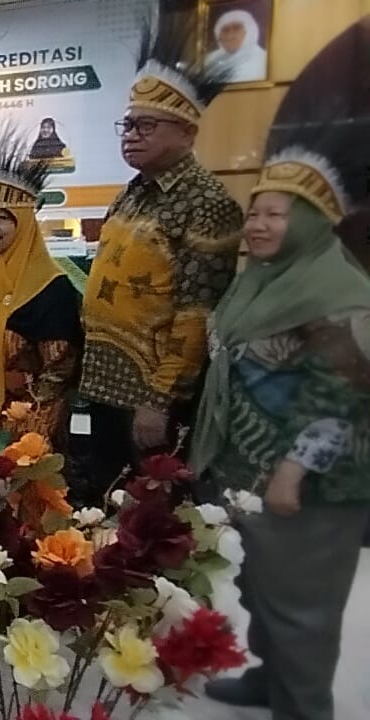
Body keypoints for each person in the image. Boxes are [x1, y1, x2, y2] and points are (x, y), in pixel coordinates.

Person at [193, 45, 370, 720]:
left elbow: (344, 394)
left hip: (314, 484)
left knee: (303, 605)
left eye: (278, 214)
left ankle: (304, 705)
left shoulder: (338, 289)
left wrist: (296, 468)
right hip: (251, 466)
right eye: (257, 211)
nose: (261, 224)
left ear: (313, 222)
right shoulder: (262, 280)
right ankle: (270, 680)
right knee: (262, 583)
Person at [78, 8, 242, 502]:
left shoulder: (207, 203)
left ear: (187, 133)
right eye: (126, 125)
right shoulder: (132, 192)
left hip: (151, 402)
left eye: (146, 126)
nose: (131, 135)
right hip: (104, 387)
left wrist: (159, 401)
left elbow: (196, 314)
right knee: (103, 509)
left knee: (155, 522)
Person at [0, 125, 82, 446]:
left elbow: (58, 373)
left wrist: (25, 442)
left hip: (29, 434)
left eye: (2, 218)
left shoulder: (51, 288)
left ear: (24, 225)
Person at [205, 9, 268, 83]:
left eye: (236, 28)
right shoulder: (210, 59)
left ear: (248, 32)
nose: (230, 34)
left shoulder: (263, 59)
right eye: (225, 30)